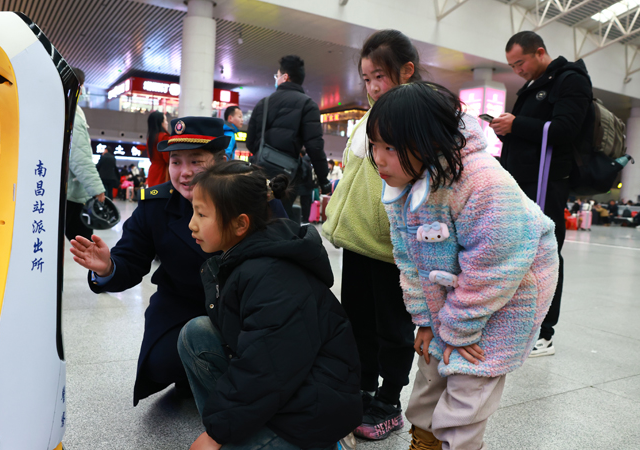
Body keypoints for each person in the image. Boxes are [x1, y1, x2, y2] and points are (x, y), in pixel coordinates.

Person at [371, 81, 558, 449]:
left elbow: (496, 266)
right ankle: (424, 440)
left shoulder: (483, 182)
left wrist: (461, 328)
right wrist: (426, 321)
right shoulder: (403, 186)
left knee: (469, 382)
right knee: (430, 368)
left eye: (390, 147)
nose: (378, 158)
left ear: (429, 140)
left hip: (509, 294)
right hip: (457, 293)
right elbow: (409, 260)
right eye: (374, 145)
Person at [70, 117, 285, 407]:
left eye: (196, 161)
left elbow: (285, 259)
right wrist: (108, 267)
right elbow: (130, 259)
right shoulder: (156, 207)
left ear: (221, 160)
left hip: (247, 309)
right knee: (162, 363)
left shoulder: (255, 199)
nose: (185, 173)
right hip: (183, 307)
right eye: (175, 162)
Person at [180, 160, 361, 450]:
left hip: (315, 410)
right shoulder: (244, 257)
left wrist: (215, 436)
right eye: (194, 211)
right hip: (290, 387)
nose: (192, 223)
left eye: (202, 214)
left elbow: (264, 369)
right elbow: (256, 356)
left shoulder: (271, 275)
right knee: (195, 335)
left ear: (241, 224)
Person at [322, 29, 421, 441]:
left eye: (380, 76)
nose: (373, 87)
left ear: (406, 72)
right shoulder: (366, 119)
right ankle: (362, 388)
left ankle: (390, 400)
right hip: (360, 241)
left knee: (393, 328)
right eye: (366, 79)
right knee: (356, 320)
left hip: (393, 247)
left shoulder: (415, 116)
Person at [492, 30, 593, 357]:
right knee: (517, 252)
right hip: (521, 184)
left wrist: (515, 124)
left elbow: (565, 130)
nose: (517, 69)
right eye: (511, 65)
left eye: (520, 62)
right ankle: (519, 322)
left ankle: (545, 333)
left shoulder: (570, 80)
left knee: (546, 255)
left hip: (547, 184)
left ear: (539, 52)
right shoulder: (532, 85)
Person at [246, 55, 330, 219]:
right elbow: (315, 147)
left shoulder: (264, 103)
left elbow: (250, 142)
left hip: (260, 171)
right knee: (282, 217)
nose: (276, 79)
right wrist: (323, 178)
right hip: (288, 177)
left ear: (285, 77)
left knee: (260, 215)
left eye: (277, 75)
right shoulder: (308, 105)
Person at [65, 67, 107, 242]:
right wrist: (97, 189)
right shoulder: (73, 112)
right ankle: (98, 271)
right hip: (71, 193)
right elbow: (79, 157)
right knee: (86, 245)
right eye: (80, 86)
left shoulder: (58, 108)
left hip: (57, 189)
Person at [146, 111, 170, 187]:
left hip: (153, 171)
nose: (167, 123)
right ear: (160, 123)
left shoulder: (150, 138)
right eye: (165, 120)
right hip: (163, 172)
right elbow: (168, 159)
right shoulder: (164, 137)